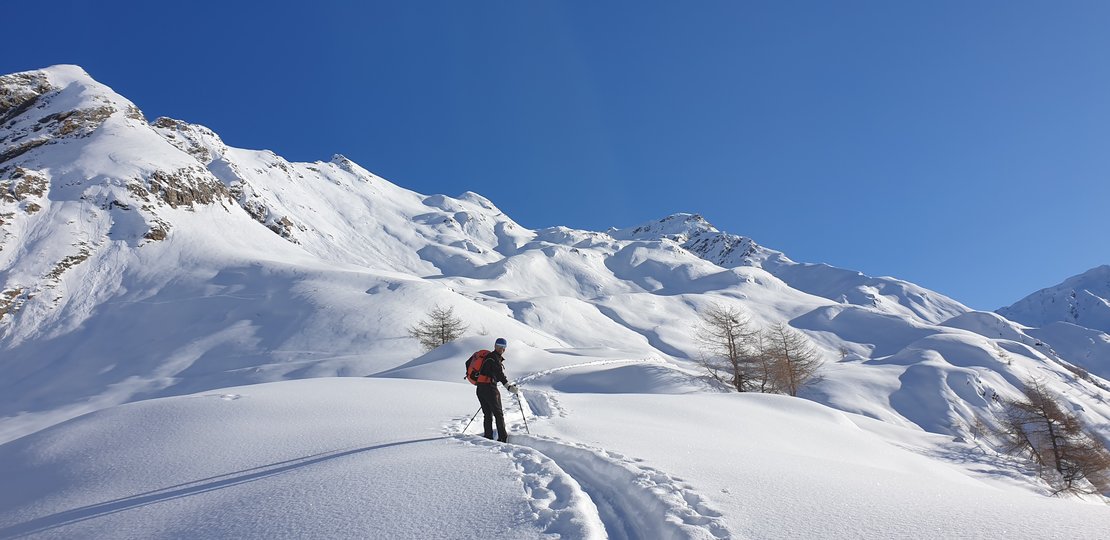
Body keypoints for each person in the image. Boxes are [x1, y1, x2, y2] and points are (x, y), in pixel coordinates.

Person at [474, 337, 517, 442]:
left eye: (503, 347)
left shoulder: (488, 357)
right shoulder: (494, 358)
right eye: (499, 346)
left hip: (480, 389)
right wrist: (508, 386)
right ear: (495, 346)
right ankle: (502, 438)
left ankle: (488, 437)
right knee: (498, 414)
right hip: (490, 388)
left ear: (505, 349)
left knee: (487, 414)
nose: (501, 349)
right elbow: (500, 374)